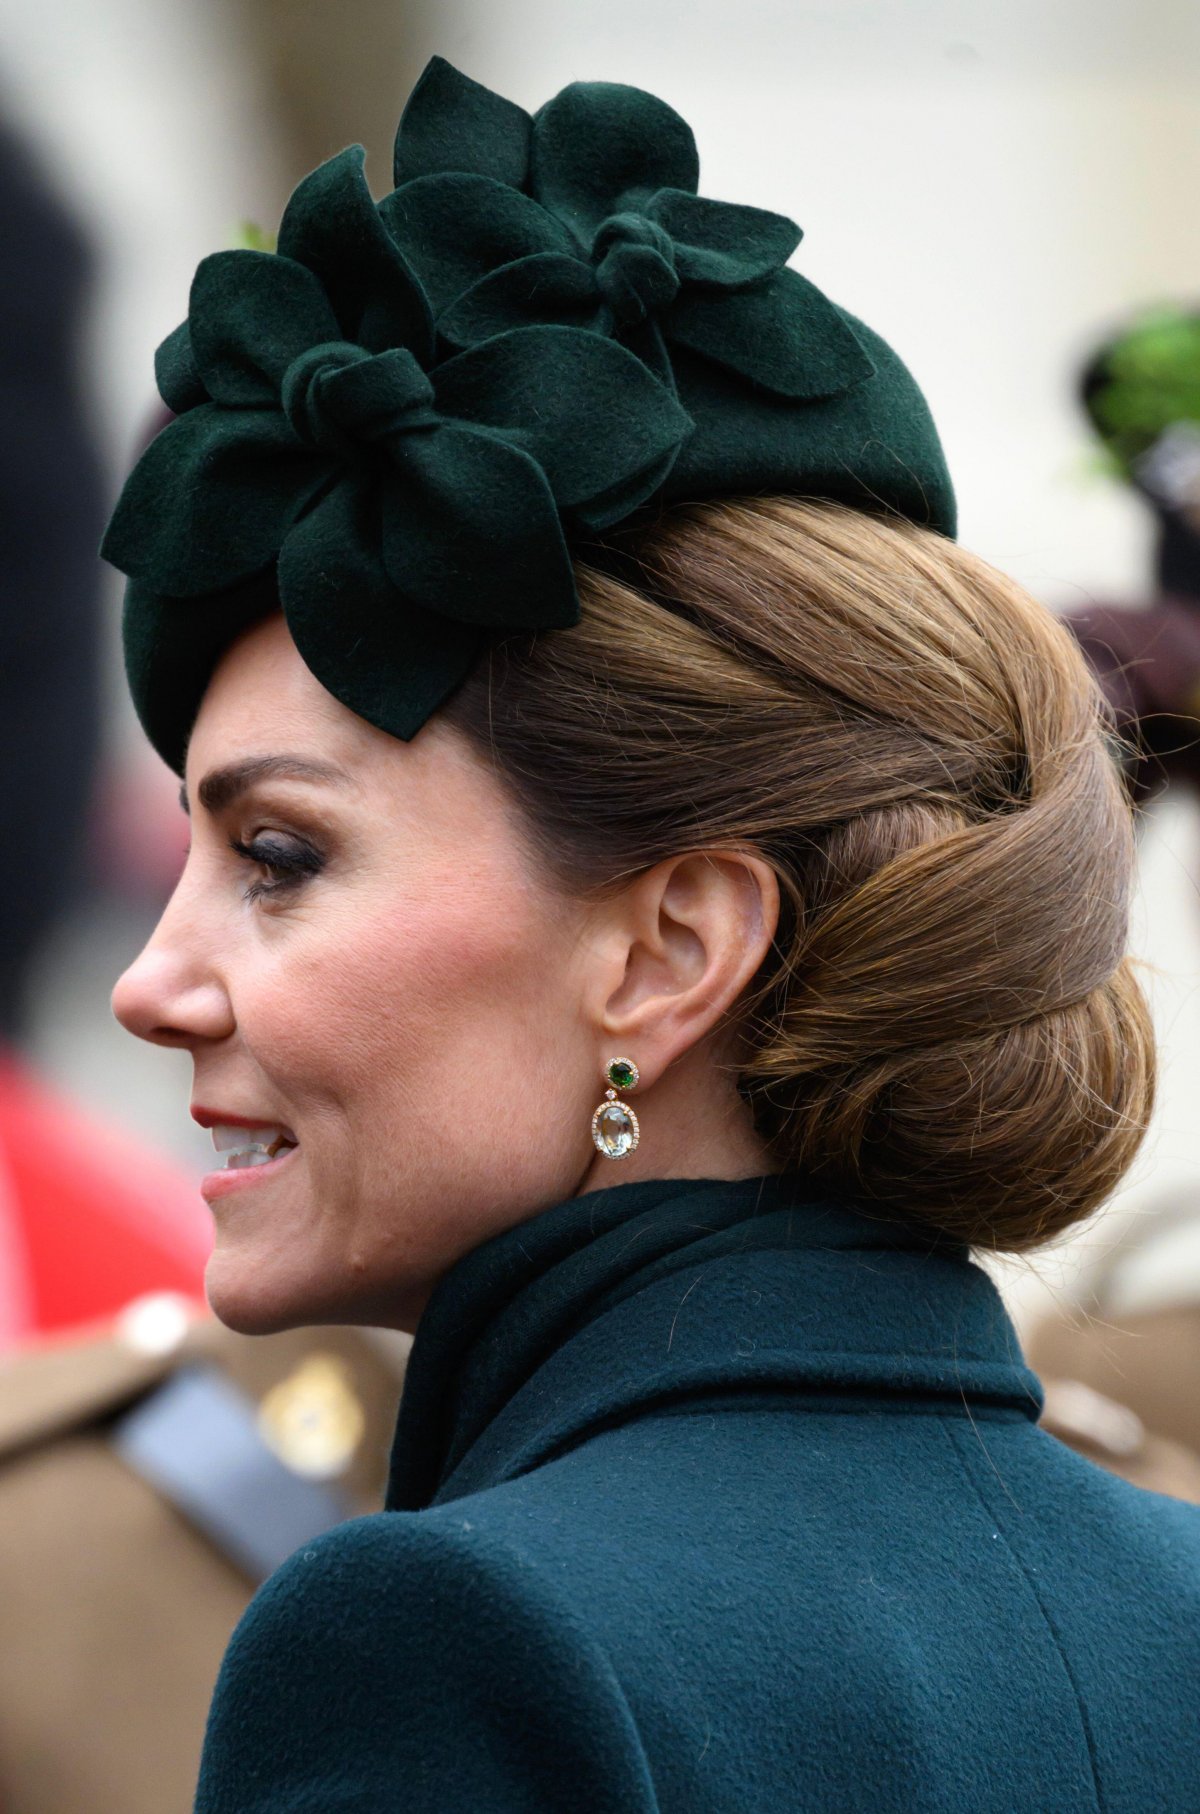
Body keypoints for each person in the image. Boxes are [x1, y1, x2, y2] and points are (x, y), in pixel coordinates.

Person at [99, 55, 1199, 1812]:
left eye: (282, 854)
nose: (149, 985)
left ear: (672, 949)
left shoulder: (446, 1635)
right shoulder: (1181, 1601)